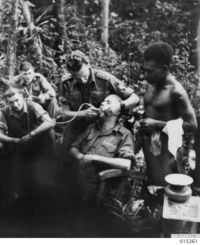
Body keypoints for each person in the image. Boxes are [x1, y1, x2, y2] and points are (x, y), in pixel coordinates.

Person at [140, 42, 197, 186]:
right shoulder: (151, 82)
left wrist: (157, 124)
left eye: (150, 71)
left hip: (166, 149)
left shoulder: (176, 91)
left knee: (163, 186)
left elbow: (192, 125)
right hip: (146, 144)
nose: (145, 75)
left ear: (164, 68)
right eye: (144, 70)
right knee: (148, 185)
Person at [59, 50, 140, 150]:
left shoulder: (105, 79)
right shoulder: (66, 83)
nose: (83, 81)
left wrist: (118, 106)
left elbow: (135, 98)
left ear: (88, 65)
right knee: (65, 156)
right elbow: (65, 113)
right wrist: (83, 113)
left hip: (102, 129)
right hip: (77, 128)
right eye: (77, 78)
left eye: (84, 76)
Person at [0, 87, 55, 204]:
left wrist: (32, 134)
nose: (15, 104)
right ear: (7, 103)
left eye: (17, 100)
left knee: (50, 132)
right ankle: (6, 188)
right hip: (19, 145)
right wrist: (13, 140)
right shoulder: (4, 112)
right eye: (11, 102)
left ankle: (53, 167)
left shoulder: (32, 106)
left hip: (37, 143)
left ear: (23, 98)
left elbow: (49, 122)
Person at [70, 94, 134, 203]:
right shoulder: (91, 127)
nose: (102, 103)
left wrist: (94, 158)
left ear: (117, 111)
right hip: (76, 178)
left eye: (108, 102)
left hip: (101, 185)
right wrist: (79, 156)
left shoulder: (124, 134)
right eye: (103, 101)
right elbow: (73, 148)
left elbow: (126, 164)